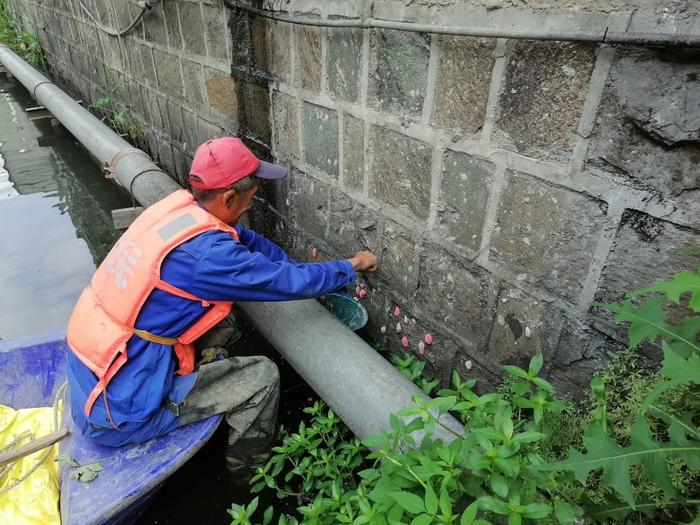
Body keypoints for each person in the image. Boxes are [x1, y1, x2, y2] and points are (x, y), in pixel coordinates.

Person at [65, 137, 378, 473]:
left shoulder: (178, 210)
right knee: (262, 376)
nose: (251, 206)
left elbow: (250, 243)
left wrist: (288, 265)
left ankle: (200, 371)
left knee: (224, 320)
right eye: (251, 198)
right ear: (229, 197)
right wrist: (350, 266)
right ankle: (247, 465)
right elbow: (284, 283)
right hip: (119, 411)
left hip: (96, 369)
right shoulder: (208, 257)